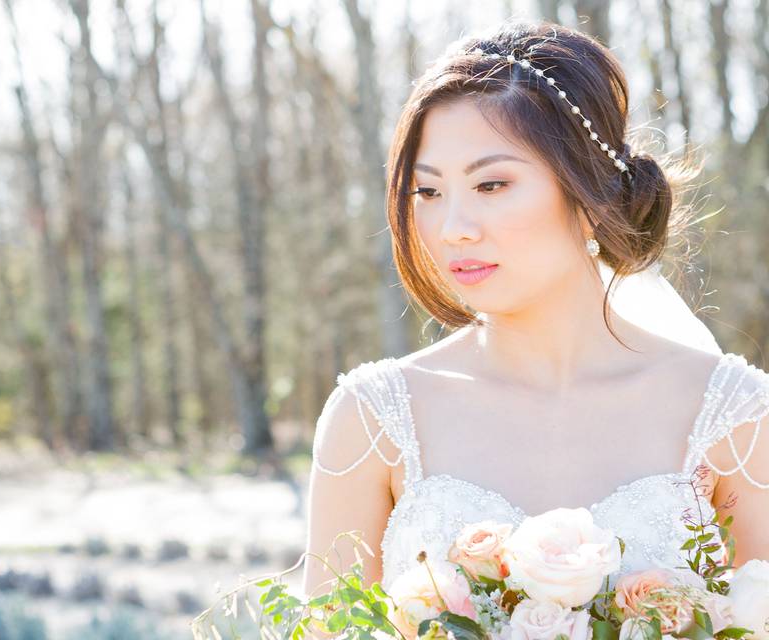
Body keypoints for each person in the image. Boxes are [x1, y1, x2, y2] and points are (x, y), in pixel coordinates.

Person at [302, 19, 769, 613]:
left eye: (492, 184)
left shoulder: (734, 414)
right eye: (428, 192)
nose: (453, 229)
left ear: (589, 192)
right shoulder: (373, 421)